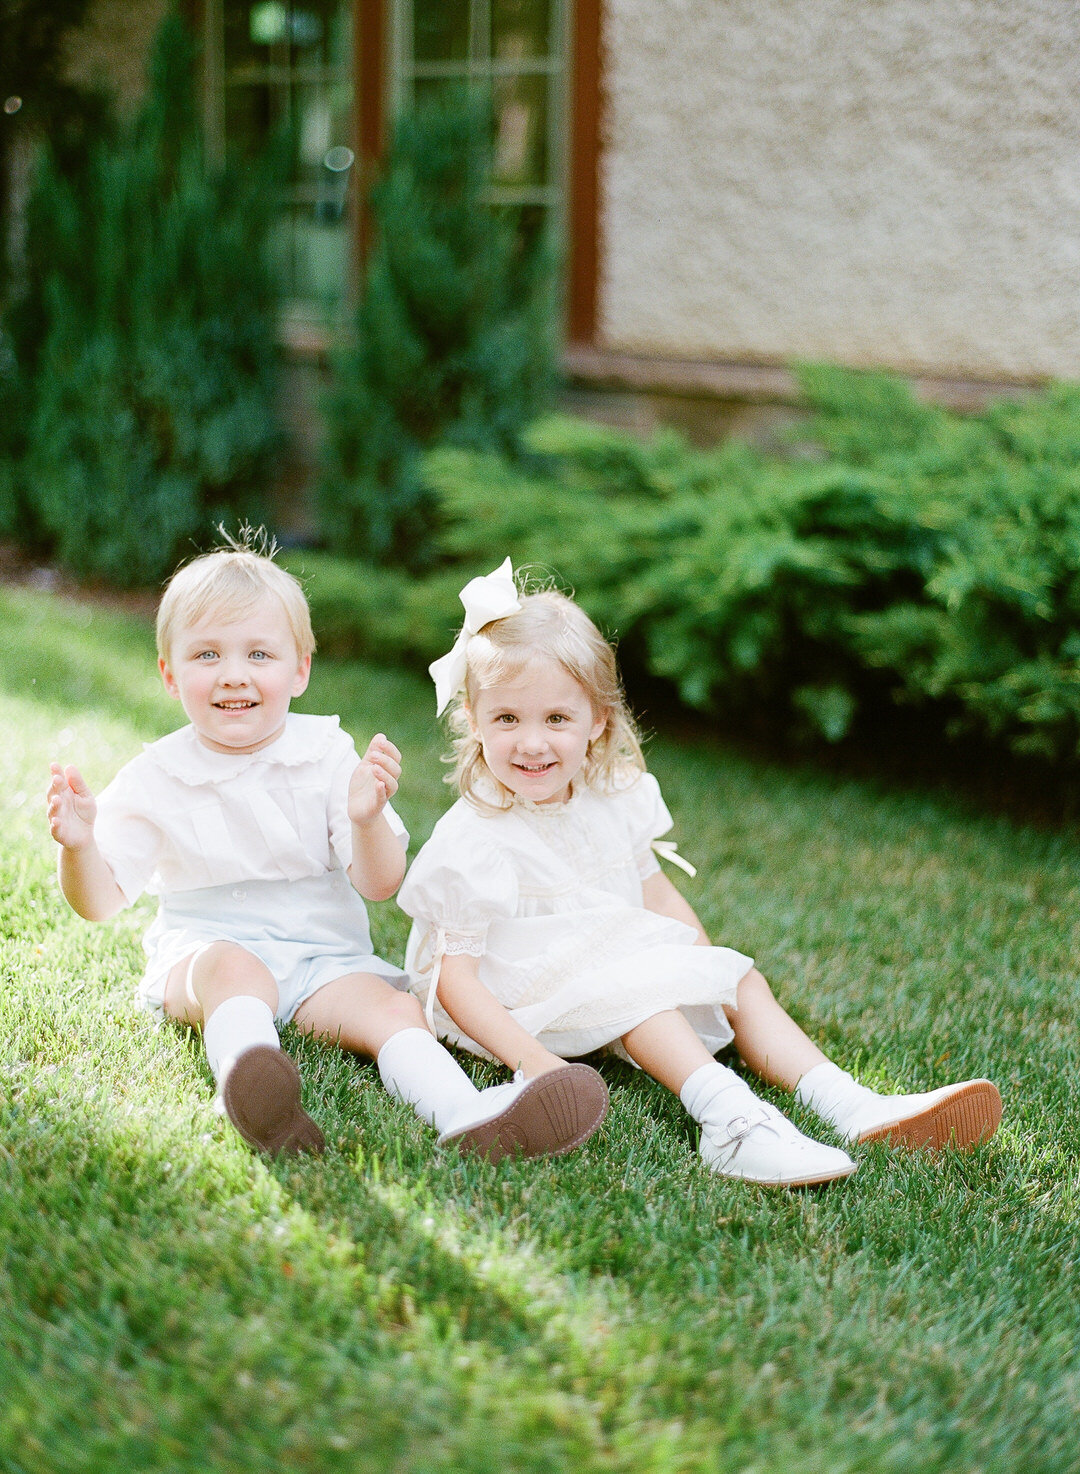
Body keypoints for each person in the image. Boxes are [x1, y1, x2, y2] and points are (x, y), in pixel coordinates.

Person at [397, 559, 1003, 1187]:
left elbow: (653, 890)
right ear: (473, 718)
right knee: (646, 1000)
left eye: (556, 719)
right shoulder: (476, 839)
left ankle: (849, 1103)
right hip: (510, 996)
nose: (532, 743)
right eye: (507, 719)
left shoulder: (613, 794)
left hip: (596, 959)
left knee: (739, 979)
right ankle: (730, 1121)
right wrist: (538, 1064)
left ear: (597, 720)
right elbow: (454, 982)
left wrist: (705, 972)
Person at [46, 535, 608, 1162]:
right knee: (234, 970)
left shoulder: (325, 757)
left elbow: (379, 883)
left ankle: (464, 1112)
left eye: (259, 653)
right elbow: (98, 902)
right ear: (170, 675)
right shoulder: (158, 776)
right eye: (208, 655)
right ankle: (249, 1076)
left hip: (323, 963)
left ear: (300, 669)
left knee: (393, 1011)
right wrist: (79, 846)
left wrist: (366, 821)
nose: (234, 673)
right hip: (206, 957)